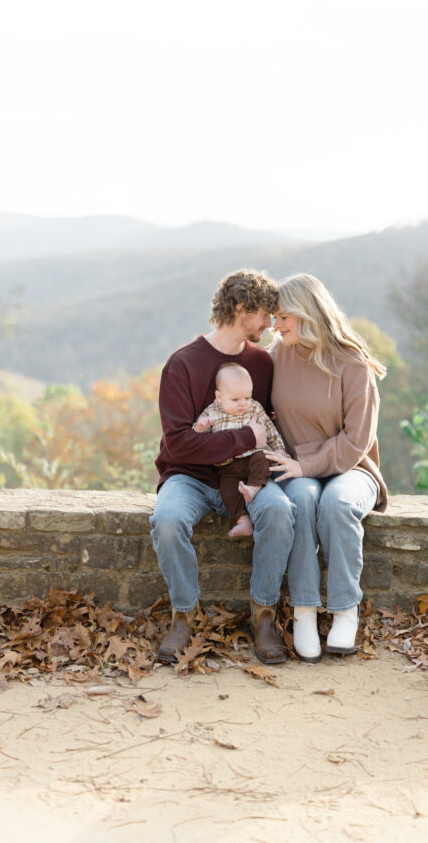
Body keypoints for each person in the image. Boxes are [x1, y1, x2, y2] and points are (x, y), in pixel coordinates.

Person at [150, 269, 296, 666]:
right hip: (189, 476)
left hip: (247, 476)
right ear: (241, 307)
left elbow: (266, 422)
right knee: (166, 519)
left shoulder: (262, 364)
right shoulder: (182, 364)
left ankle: (263, 614)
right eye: (265, 314)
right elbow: (180, 442)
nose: (270, 323)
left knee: (281, 513)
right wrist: (245, 440)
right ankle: (184, 615)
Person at [264, 273, 388, 663]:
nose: (276, 325)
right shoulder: (276, 356)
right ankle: (303, 612)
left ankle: (344, 610)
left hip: (353, 468)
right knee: (299, 498)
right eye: (274, 318)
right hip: (296, 469)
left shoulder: (354, 365)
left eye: (283, 317)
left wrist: (307, 463)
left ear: (307, 312)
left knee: (337, 503)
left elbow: (356, 441)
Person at [193, 362, 288, 539]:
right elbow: (196, 439)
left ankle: (253, 487)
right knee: (227, 492)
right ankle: (243, 520)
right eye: (235, 400)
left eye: (247, 397)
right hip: (228, 466)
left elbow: (269, 429)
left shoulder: (255, 408)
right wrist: (200, 427)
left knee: (262, 458)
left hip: (252, 458)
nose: (243, 404)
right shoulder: (212, 412)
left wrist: (279, 449)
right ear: (219, 397)